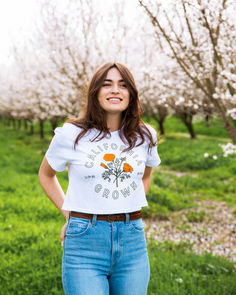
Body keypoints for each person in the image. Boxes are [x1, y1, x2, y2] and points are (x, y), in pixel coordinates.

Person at [38, 62, 161, 295]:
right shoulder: (71, 134)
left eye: (123, 85)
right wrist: (71, 215)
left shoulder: (145, 136)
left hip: (132, 240)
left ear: (131, 94)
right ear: (95, 93)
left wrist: (125, 203)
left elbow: (145, 178)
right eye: (107, 84)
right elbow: (46, 174)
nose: (115, 90)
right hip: (85, 242)